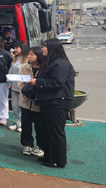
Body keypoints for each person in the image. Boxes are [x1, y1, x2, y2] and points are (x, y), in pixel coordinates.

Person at [28, 38, 75, 168]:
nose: (42, 49)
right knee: (47, 130)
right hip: (50, 101)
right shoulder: (52, 62)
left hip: (58, 102)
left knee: (55, 132)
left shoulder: (60, 64)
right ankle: (49, 156)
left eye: (45, 46)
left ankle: (57, 160)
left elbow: (57, 82)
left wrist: (37, 82)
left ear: (52, 48)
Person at [18, 46, 45, 157]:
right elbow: (20, 84)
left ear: (38, 56)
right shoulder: (24, 67)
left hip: (39, 103)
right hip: (25, 102)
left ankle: (40, 146)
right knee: (26, 126)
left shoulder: (45, 68)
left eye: (32, 55)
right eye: (28, 54)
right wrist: (28, 92)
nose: (29, 56)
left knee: (40, 127)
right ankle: (27, 144)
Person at [8, 40, 28, 132]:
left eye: (17, 48)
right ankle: (16, 122)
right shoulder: (14, 59)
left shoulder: (27, 59)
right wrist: (9, 82)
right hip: (14, 87)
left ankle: (24, 124)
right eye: (14, 48)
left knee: (23, 106)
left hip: (23, 88)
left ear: (22, 48)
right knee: (15, 106)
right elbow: (11, 70)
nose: (15, 50)